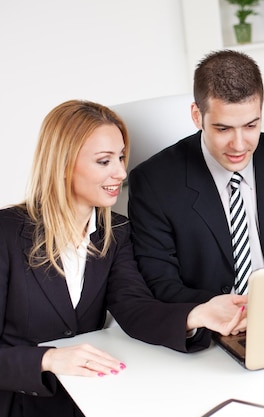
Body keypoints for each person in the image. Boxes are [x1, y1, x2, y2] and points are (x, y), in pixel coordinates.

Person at [0, 100, 247, 417]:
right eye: (104, 161)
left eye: (120, 158)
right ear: (62, 164)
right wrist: (45, 359)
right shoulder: (6, 233)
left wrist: (198, 315)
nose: (120, 172)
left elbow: (133, 307)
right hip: (18, 403)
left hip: (89, 398)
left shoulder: (115, 231)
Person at [127, 49, 264, 304]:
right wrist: (228, 311)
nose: (239, 145)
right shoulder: (154, 183)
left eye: (251, 126)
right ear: (197, 116)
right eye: (223, 128)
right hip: (214, 324)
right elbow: (160, 282)